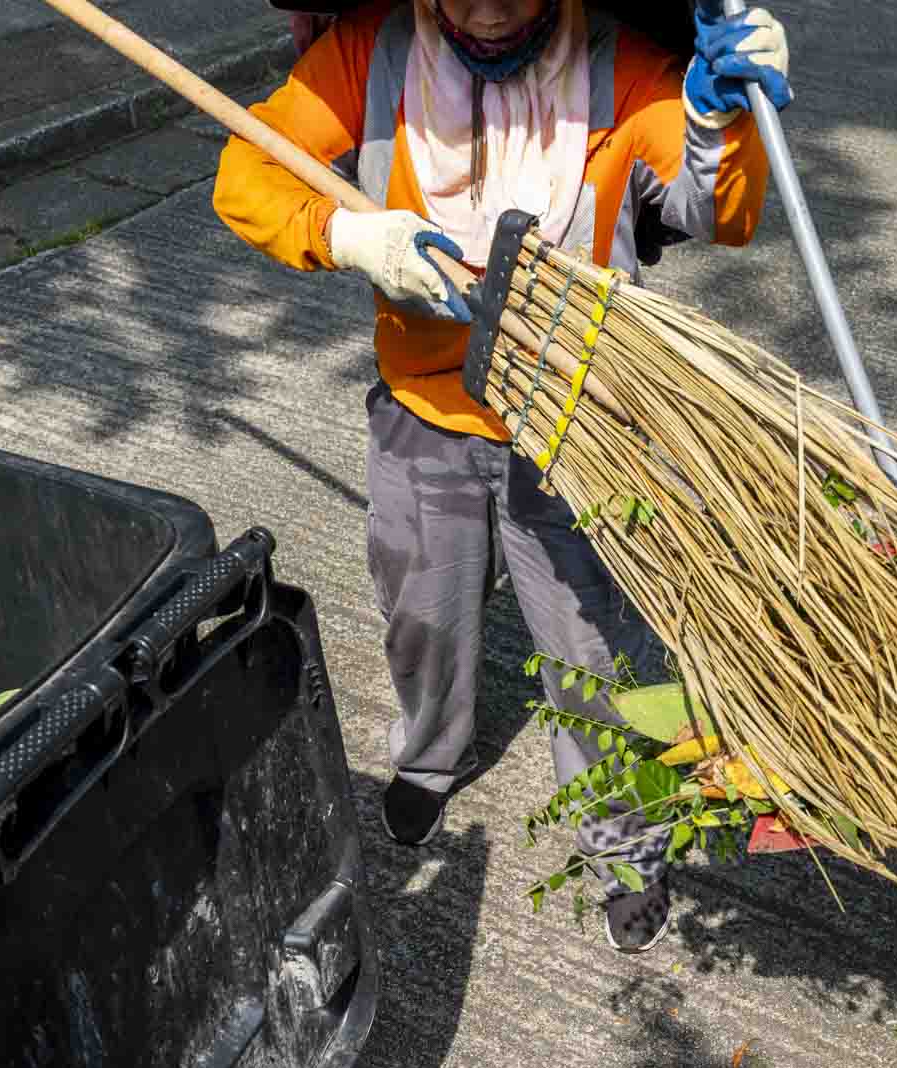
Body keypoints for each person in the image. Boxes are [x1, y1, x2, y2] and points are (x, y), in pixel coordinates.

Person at [214, 0, 790, 953]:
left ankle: (626, 845)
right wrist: (352, 236)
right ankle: (431, 757)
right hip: (425, 403)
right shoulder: (373, 52)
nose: (484, 13)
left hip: (574, 415)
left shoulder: (617, 65)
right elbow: (248, 176)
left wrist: (719, 119)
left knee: (596, 652)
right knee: (423, 612)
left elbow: (719, 212)